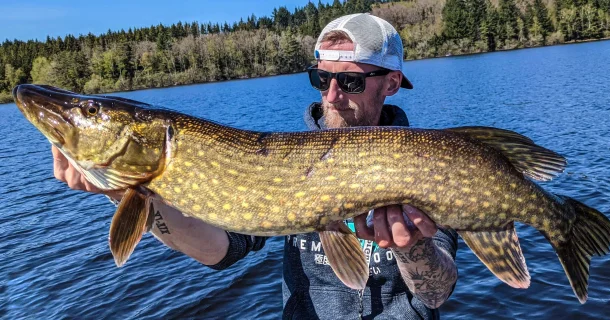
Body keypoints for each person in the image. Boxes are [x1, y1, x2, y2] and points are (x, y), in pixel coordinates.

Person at [52, 13, 458, 319]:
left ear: (390, 83)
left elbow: (437, 293)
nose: (332, 96)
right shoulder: (283, 165)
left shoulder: (425, 162)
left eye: (350, 81)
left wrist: (413, 246)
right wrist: (119, 189)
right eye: (321, 77)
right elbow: (220, 251)